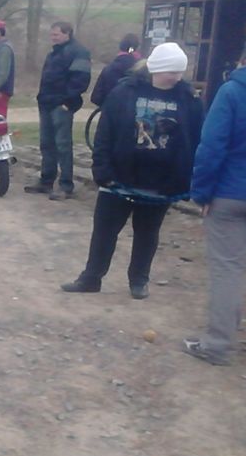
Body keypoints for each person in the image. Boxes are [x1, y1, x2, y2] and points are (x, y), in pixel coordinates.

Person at [60, 43, 203, 300]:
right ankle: (91, 278)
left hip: (160, 182)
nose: (177, 77)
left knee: (147, 233)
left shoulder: (189, 100)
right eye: (171, 71)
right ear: (156, 68)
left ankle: (139, 280)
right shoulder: (124, 92)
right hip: (119, 176)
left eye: (180, 72)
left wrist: (185, 177)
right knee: (104, 231)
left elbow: (195, 140)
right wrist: (101, 169)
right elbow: (105, 133)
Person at [183, 35, 246, 367]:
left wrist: (202, 192)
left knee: (227, 269)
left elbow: (212, 146)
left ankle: (217, 345)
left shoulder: (231, 91)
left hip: (230, 193)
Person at [26, 21, 92, 199]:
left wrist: (68, 102)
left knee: (63, 146)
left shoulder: (79, 52)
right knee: (46, 144)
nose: (52, 37)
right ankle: (46, 181)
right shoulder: (53, 54)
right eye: (51, 34)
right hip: (46, 103)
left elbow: (81, 80)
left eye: (56, 34)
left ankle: (66, 185)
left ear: (67, 33)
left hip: (61, 105)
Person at [90, 33, 141, 107]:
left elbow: (96, 97)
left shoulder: (108, 68)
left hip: (110, 110)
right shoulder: (142, 71)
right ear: (136, 48)